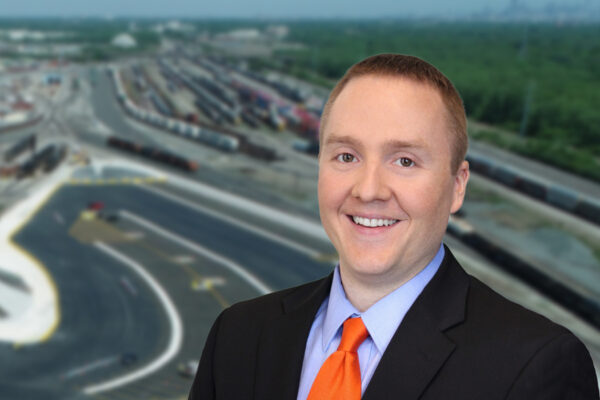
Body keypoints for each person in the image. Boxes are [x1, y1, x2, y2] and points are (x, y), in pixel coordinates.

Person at [188, 54, 599, 399]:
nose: (368, 191)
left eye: (404, 161)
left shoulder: (537, 367)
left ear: (457, 187)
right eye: (346, 156)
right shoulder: (238, 335)